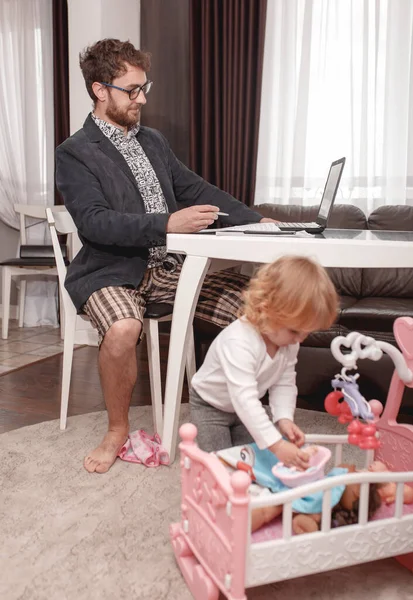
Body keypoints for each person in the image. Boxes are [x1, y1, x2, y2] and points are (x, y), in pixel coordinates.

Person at [55, 38, 276, 474]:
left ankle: (242, 417)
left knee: (264, 307)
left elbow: (197, 191)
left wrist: (257, 221)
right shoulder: (75, 152)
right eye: (131, 89)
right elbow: (95, 222)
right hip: (110, 271)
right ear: (100, 90)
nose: (141, 98)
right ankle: (117, 430)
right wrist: (166, 224)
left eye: (143, 87)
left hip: (172, 270)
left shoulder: (153, 142)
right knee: (122, 329)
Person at [189, 255, 339, 470]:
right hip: (210, 405)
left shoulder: (288, 342)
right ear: (266, 310)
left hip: (246, 406)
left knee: (256, 462)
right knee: (220, 467)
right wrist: (277, 444)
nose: (301, 339)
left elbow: (284, 382)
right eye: (296, 331)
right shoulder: (239, 342)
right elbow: (244, 398)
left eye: (307, 332)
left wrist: (284, 418)